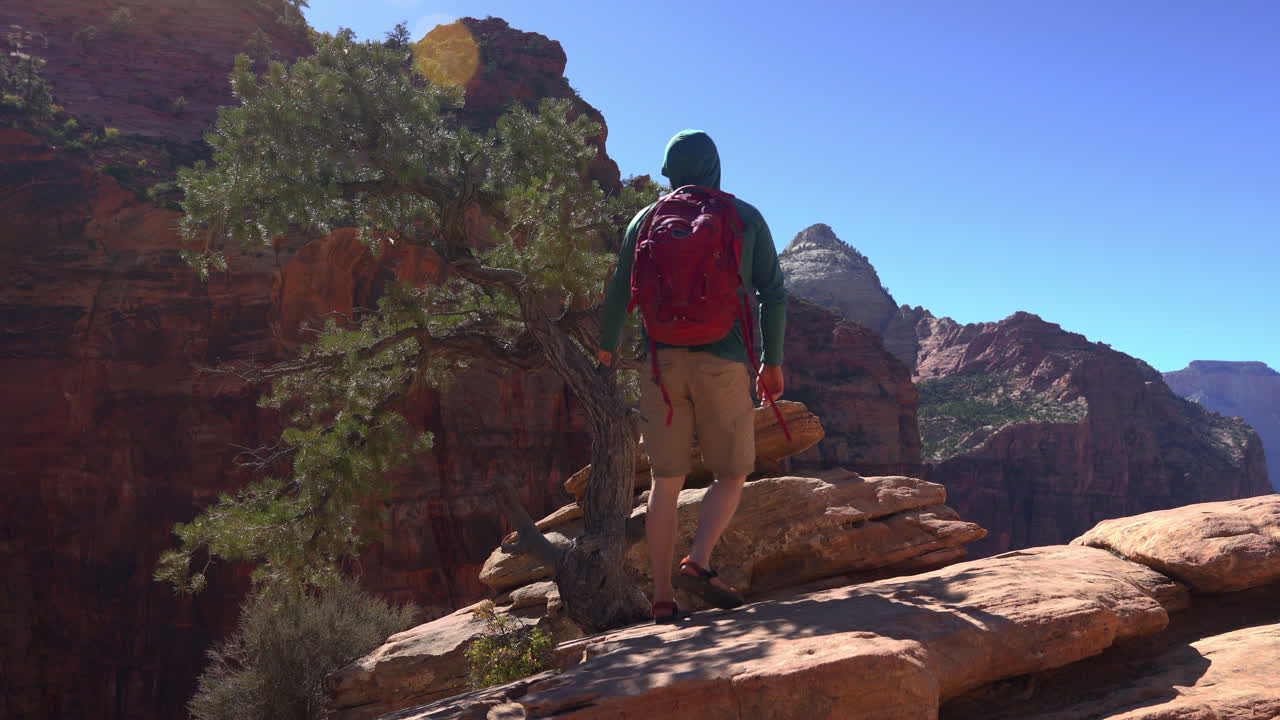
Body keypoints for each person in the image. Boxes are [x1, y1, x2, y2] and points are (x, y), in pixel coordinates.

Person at [597, 129, 788, 622]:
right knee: (731, 472)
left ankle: (663, 598)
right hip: (723, 361)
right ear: (713, 166)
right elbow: (773, 292)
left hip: (660, 365)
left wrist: (606, 350)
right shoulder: (743, 217)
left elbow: (620, 290)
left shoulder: (646, 219)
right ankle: (698, 562)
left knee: (665, 481)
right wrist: (773, 361)